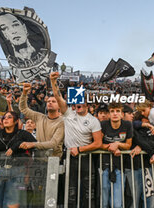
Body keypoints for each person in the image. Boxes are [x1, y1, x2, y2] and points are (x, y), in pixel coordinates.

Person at [50, 71, 102, 207]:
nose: (78, 105)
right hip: (70, 157)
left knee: (88, 190)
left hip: (86, 157)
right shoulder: (68, 114)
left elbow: (98, 143)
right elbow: (57, 96)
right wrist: (53, 82)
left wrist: (80, 149)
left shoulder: (93, 121)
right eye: (76, 103)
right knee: (71, 189)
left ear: (87, 105)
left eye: (81, 102)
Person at [0, 111, 36, 207]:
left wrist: (16, 146)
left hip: (17, 171)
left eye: (9, 117)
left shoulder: (23, 134)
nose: (5, 119)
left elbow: (35, 145)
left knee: (12, 202)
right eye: (4, 118)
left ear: (16, 121)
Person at [18, 82, 64, 157]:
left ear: (59, 106)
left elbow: (53, 143)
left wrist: (33, 144)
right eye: (48, 101)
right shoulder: (39, 117)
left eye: (53, 101)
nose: (50, 103)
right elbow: (23, 108)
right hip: (38, 159)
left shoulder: (61, 122)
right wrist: (24, 93)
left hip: (54, 159)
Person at [100, 102, 132, 208]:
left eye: (118, 111)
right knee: (104, 200)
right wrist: (111, 147)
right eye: (112, 111)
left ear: (122, 114)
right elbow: (98, 143)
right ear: (108, 114)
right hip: (103, 164)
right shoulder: (103, 124)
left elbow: (128, 145)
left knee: (117, 203)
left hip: (120, 165)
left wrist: (117, 144)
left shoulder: (127, 125)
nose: (115, 114)